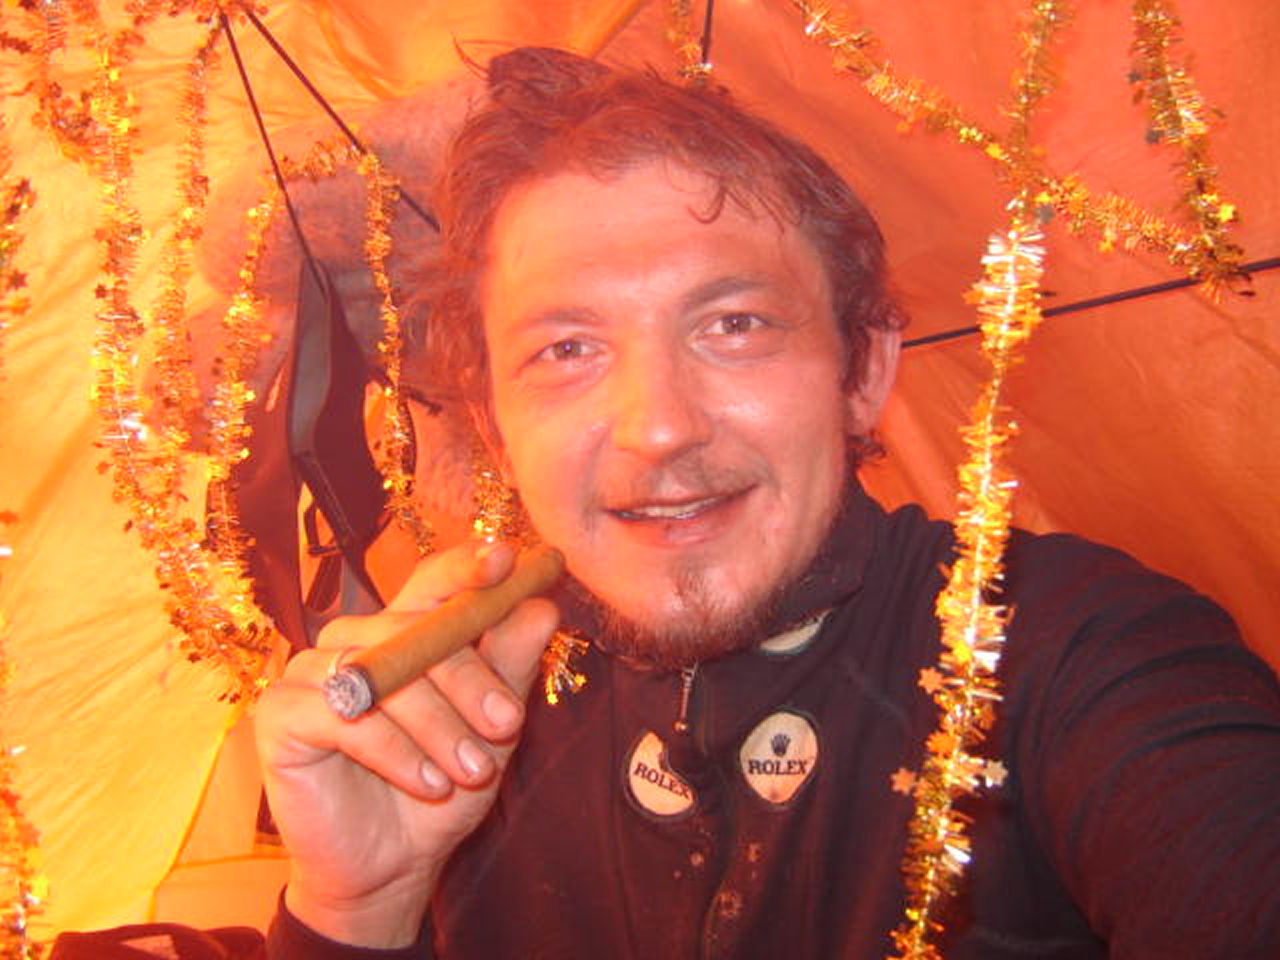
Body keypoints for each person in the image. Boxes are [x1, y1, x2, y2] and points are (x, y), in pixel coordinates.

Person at [254, 47, 1280, 959]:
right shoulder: (461, 725)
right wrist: (354, 912)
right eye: (566, 349)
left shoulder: (1067, 651)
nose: (659, 428)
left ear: (862, 371)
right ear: (493, 429)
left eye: (734, 324)